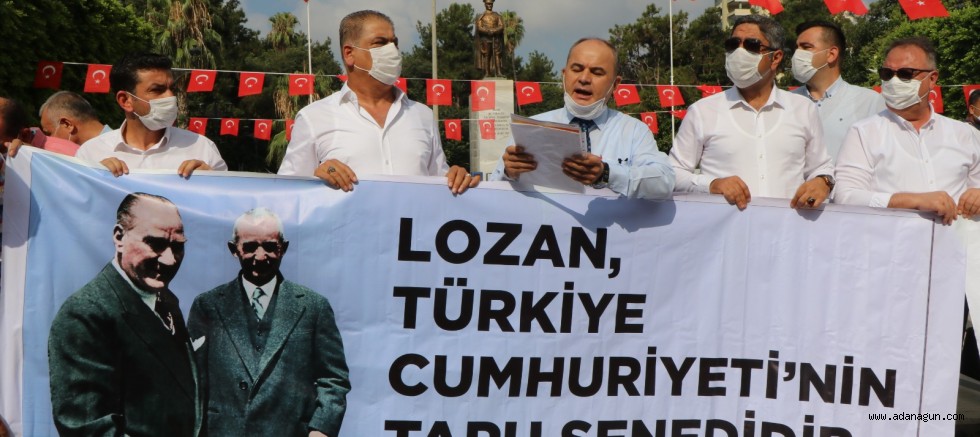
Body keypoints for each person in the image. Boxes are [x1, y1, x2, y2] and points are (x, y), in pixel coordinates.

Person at [188, 208, 350, 437]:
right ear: (234, 249)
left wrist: (321, 430)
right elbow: (194, 380)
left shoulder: (314, 307)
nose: (261, 256)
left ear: (283, 248)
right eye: (250, 247)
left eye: (270, 247)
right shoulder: (208, 305)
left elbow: (334, 379)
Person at [277, 10, 477, 195]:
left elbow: (439, 182)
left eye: (394, 43)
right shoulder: (314, 117)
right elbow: (285, 194)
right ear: (349, 54)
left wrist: (456, 177)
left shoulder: (422, 115)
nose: (392, 50)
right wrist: (317, 176)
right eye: (380, 43)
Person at [48, 193, 198, 437]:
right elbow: (88, 428)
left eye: (178, 246)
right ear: (119, 237)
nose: (170, 259)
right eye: (156, 243)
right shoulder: (85, 314)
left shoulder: (166, 302)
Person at [669, 15, 835, 210]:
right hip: (727, 227)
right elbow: (672, 173)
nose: (739, 52)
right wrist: (711, 184)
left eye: (752, 45)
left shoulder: (803, 109)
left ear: (776, 58)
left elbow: (821, 167)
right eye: (733, 44)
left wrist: (823, 182)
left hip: (788, 226)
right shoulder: (702, 111)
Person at [487, 38, 675, 199]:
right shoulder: (529, 128)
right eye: (576, 69)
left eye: (597, 72)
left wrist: (607, 173)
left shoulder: (634, 131)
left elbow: (664, 181)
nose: (584, 78)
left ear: (615, 84)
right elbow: (493, 192)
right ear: (564, 75)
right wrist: (509, 173)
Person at [834, 37, 980, 225]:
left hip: (958, 241)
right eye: (887, 74)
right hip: (892, 241)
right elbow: (845, 196)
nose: (894, 81)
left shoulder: (964, 133)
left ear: (932, 79)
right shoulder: (864, 132)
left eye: (906, 74)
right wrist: (912, 201)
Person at [75, 52, 227, 177]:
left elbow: (228, 202)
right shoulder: (91, 154)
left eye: (171, 88)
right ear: (125, 101)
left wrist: (211, 182)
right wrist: (94, 180)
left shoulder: (201, 148)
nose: (170, 96)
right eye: (157, 90)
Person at [790, 20, 885, 161]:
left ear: (831, 54)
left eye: (806, 47)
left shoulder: (869, 102)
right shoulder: (786, 102)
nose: (797, 54)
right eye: (796, 48)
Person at [474, 0, 504, 78]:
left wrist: (494, 31)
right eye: (488, 4)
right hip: (485, 39)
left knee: (497, 55)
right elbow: (479, 27)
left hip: (496, 38)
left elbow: (501, 26)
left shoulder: (497, 15)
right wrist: (487, 31)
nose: (490, 5)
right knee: (486, 55)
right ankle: (487, 73)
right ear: (485, 4)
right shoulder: (481, 16)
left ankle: (498, 72)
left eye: (491, 4)